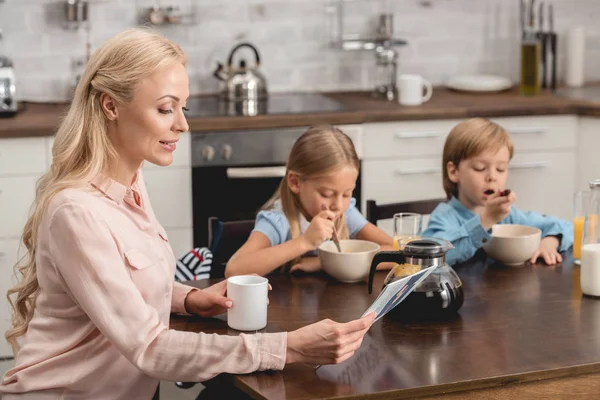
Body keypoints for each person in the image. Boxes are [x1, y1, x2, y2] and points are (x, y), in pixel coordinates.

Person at [0, 29, 375, 399]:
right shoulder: (77, 212)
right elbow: (150, 348)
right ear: (110, 105)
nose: (182, 124)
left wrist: (186, 299)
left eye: (184, 107)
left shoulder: (132, 183)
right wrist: (288, 348)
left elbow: (122, 282)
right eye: (166, 108)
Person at [225, 125, 394, 277]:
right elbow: (234, 270)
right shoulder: (279, 220)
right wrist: (304, 242)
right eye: (326, 194)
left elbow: (397, 252)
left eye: (346, 194)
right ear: (295, 182)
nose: (338, 205)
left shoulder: (346, 213)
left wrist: (325, 262)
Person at [422, 118, 573, 266]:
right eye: (480, 168)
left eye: (501, 169)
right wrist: (486, 220)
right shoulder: (443, 218)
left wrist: (550, 242)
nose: (492, 177)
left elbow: (567, 227)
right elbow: (430, 257)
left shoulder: (509, 216)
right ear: (454, 171)